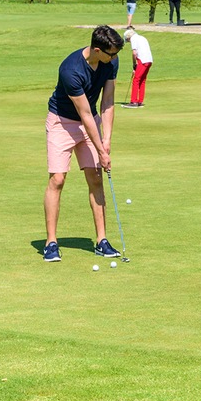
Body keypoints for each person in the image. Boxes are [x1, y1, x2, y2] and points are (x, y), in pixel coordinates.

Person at [42, 25, 125, 263]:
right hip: (63, 122)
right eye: (111, 54)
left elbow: (107, 101)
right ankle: (51, 243)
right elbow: (85, 114)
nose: (115, 57)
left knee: (95, 177)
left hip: (91, 123)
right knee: (57, 179)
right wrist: (100, 149)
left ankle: (101, 241)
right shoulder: (71, 70)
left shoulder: (111, 62)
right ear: (97, 50)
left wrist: (106, 140)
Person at [122, 28, 153, 107]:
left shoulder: (133, 39)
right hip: (149, 60)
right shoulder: (142, 37)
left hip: (142, 60)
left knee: (136, 80)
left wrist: (134, 64)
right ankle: (140, 101)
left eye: (127, 40)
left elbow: (134, 53)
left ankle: (134, 101)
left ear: (128, 37)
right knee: (142, 80)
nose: (128, 41)